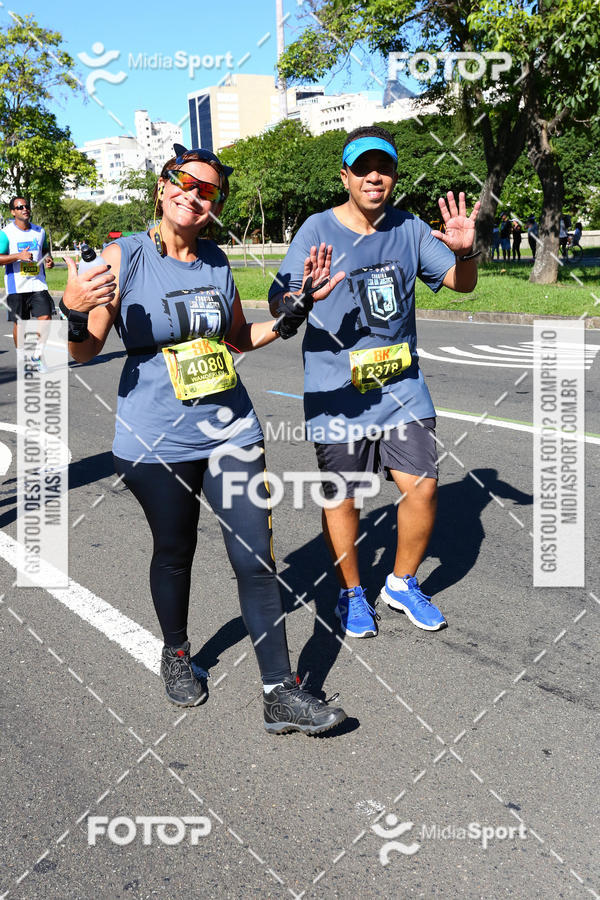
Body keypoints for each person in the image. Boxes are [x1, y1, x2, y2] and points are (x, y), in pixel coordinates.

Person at [60, 144, 347, 736]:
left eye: (208, 190)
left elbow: (239, 339)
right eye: (185, 182)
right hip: (155, 438)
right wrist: (71, 311)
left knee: (255, 558)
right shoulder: (126, 257)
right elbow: (84, 351)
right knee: (175, 551)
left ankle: (279, 693)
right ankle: (177, 651)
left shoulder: (217, 262)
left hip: (232, 429)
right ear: (163, 188)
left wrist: (293, 315)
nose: (195, 194)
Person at [268, 125, 479, 639]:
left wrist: (468, 252)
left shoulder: (408, 229)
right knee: (345, 496)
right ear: (345, 176)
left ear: (394, 175)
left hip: (400, 387)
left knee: (423, 487)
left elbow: (459, 284)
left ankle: (401, 584)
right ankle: (351, 591)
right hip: (337, 390)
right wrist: (301, 301)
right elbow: (279, 300)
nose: (373, 176)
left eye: (382, 167)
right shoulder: (316, 230)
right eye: (362, 168)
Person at [0, 196, 55, 370]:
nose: (24, 209)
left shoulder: (40, 231)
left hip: (38, 283)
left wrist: (49, 260)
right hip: (16, 285)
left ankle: (37, 356)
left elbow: (45, 250)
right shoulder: (6, 233)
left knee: (46, 318)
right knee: (21, 324)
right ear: (13, 212)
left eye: (26, 206)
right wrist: (18, 256)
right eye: (20, 207)